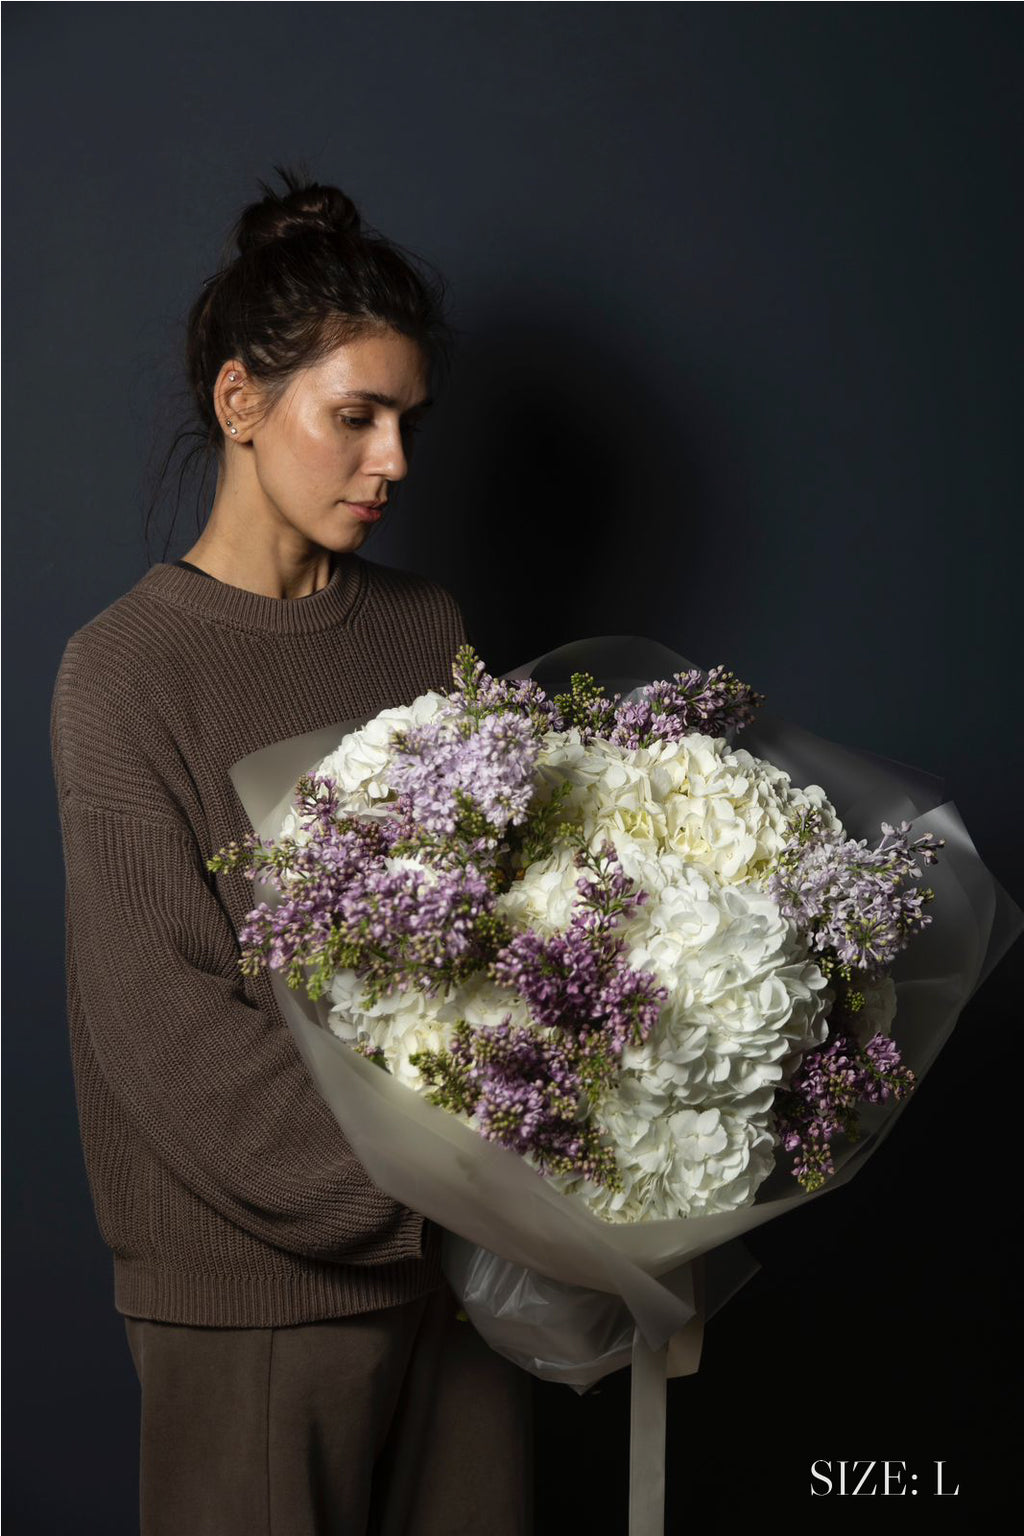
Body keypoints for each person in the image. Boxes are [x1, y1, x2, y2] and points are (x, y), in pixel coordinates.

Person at [49, 166, 533, 1536]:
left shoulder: (427, 628)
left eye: (409, 422)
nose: (396, 462)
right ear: (240, 404)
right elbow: (174, 1047)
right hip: (250, 1299)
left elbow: (504, 939)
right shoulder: (126, 672)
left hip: (459, 1286)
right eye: (357, 417)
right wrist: (455, 1169)